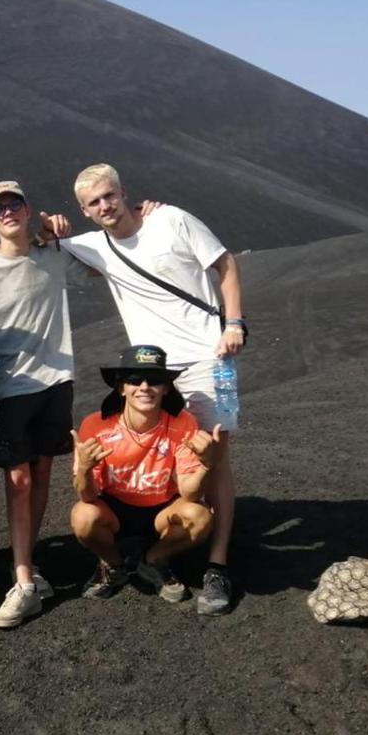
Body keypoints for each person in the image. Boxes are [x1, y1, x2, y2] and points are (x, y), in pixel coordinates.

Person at [62, 164, 245, 615]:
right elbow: (38, 244)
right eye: (94, 203)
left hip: (207, 357)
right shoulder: (92, 246)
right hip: (151, 368)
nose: (105, 206)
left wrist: (234, 322)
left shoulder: (172, 220)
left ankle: (217, 564)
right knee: (175, 454)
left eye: (109, 196)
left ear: (124, 191)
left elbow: (224, 264)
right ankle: (168, 543)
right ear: (84, 211)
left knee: (215, 455)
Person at [0, 180, 80, 628]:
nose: (8, 211)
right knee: (20, 481)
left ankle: (26, 564)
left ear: (28, 210)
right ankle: (24, 579)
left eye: (14, 204)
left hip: (57, 382)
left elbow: (103, 266)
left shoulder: (53, 254)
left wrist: (60, 231)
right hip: (11, 388)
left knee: (41, 472)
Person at [70, 345, 220, 602]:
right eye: (134, 379)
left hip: (162, 510)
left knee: (200, 517)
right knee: (83, 517)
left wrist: (207, 464)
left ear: (166, 388)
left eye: (155, 380)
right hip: (114, 510)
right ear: (121, 388)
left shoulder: (183, 423)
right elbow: (88, 495)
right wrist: (83, 468)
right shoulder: (95, 425)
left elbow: (189, 493)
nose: (144, 386)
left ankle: (154, 560)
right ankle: (113, 564)